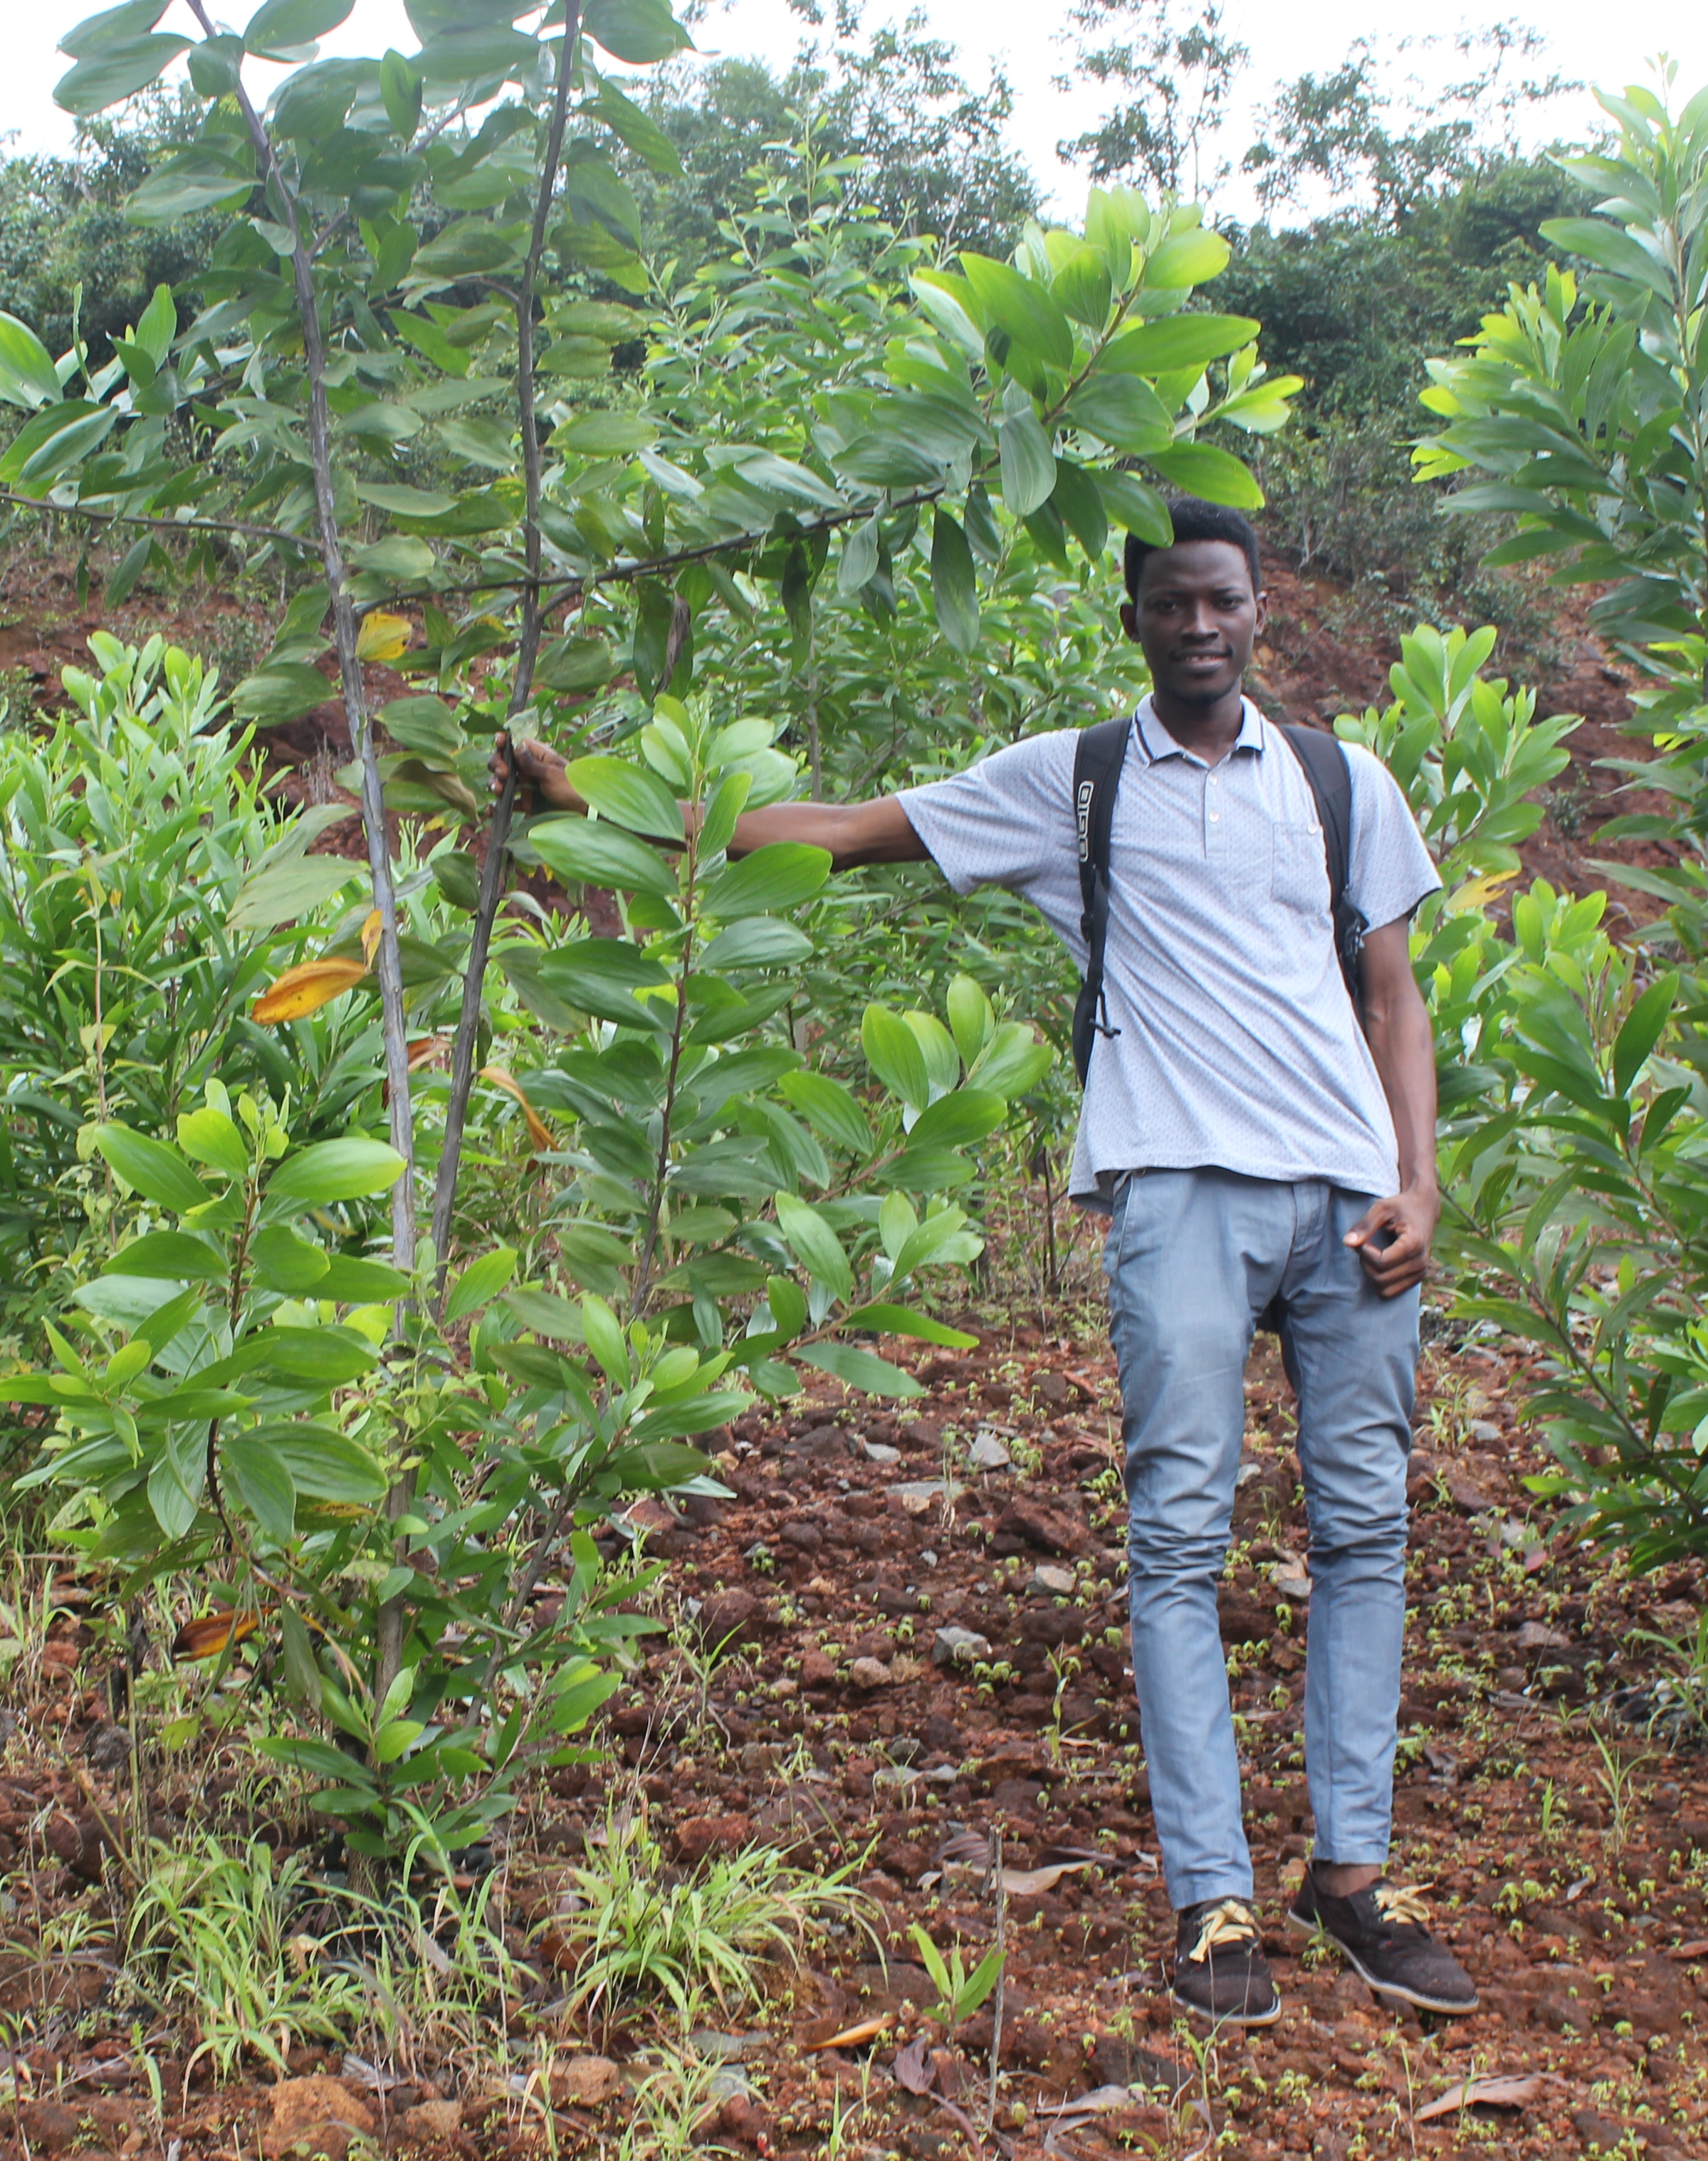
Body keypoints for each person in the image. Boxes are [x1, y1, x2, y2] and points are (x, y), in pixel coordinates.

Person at [501, 498, 1477, 2028]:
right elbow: (839, 834)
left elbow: (1394, 994)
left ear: (1262, 610)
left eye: (1222, 600)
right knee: (1180, 1539)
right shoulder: (1074, 784)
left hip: (1354, 1209)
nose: (1200, 626)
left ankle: (1354, 1879)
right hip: (1179, 1196)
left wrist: (1423, 1178)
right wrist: (605, 798)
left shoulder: (1344, 783)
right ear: (1138, 619)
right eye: (1171, 605)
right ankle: (1212, 1899)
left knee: (1366, 1532)